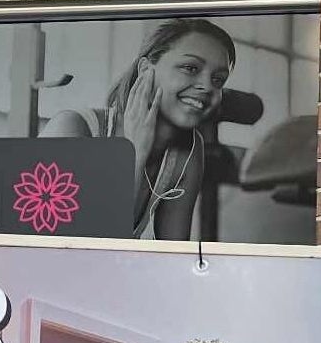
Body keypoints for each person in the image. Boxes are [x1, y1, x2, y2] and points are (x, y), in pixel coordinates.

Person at [43, 18, 234, 240]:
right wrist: (133, 152)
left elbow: (172, 257)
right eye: (190, 68)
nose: (207, 86)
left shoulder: (188, 153)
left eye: (218, 79)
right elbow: (74, 249)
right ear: (145, 70)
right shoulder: (73, 128)